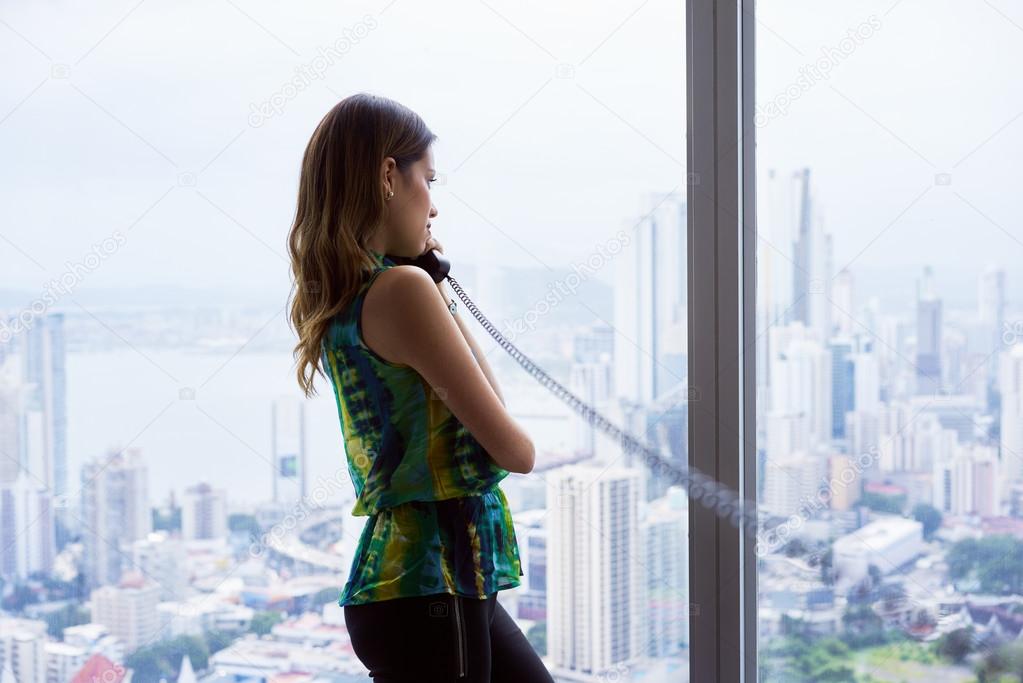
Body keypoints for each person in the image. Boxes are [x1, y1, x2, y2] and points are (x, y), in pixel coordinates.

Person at [287, 92, 555, 683]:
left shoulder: (351, 298)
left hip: (426, 588)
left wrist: (437, 288)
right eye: (428, 180)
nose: (434, 206)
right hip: (433, 589)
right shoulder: (403, 290)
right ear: (389, 175)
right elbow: (515, 450)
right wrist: (432, 288)